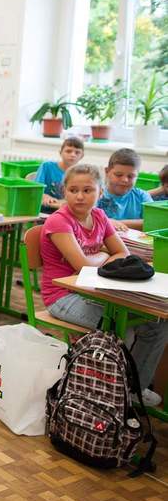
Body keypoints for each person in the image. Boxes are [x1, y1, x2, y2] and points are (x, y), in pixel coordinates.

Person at [41, 163, 166, 407]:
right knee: (123, 330)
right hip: (63, 296)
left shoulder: (99, 216)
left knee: (158, 325)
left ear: (100, 192)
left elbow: (123, 253)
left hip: (96, 291)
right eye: (73, 190)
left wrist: (98, 258)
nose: (80, 196)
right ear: (64, 192)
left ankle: (133, 390)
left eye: (87, 190)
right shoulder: (59, 222)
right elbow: (82, 267)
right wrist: (104, 255)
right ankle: (107, 395)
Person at [97, 148, 153, 231]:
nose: (125, 180)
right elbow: (87, 219)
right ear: (107, 171)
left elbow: (152, 222)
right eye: (118, 175)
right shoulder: (96, 194)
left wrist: (112, 222)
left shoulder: (142, 196)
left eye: (130, 176)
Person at [36, 136, 85, 213]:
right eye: (68, 151)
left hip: (67, 213)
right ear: (60, 153)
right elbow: (37, 189)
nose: (73, 155)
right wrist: (45, 196)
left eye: (77, 152)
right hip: (45, 212)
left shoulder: (82, 174)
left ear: (82, 156)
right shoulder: (46, 166)